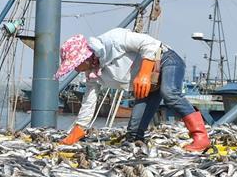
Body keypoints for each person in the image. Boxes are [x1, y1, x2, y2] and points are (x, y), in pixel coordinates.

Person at [54, 29, 210, 152]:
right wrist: (79, 129)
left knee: (169, 93)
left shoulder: (112, 40)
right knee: (133, 135)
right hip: (149, 86)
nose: (75, 68)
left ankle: (200, 137)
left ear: (84, 57)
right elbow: (89, 100)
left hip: (165, 61)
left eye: (74, 64)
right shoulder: (92, 74)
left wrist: (144, 73)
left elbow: (150, 44)